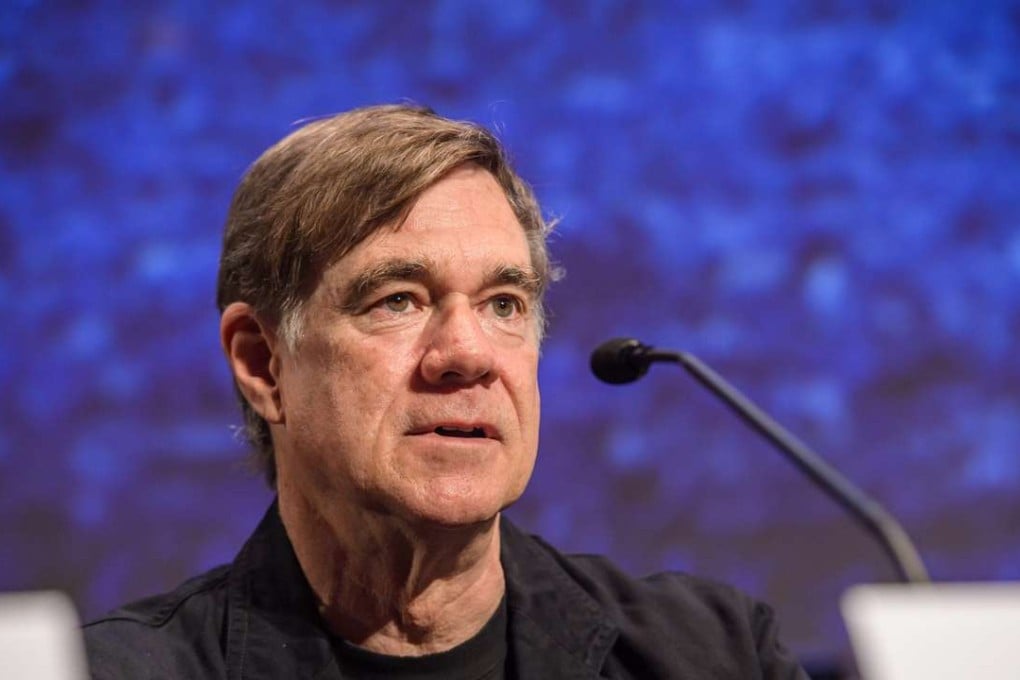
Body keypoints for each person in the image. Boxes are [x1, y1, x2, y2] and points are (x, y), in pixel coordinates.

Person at [83, 104, 808, 679]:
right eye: (397, 300)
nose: (467, 354)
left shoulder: (714, 655)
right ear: (263, 363)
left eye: (504, 304)